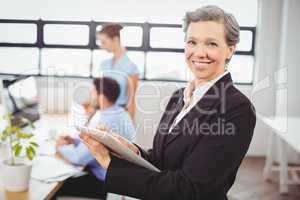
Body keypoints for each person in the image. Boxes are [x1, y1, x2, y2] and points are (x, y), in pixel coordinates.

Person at [80, 5, 256, 200]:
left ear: (230, 49)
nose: (199, 52)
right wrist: (131, 150)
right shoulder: (178, 97)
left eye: (211, 44)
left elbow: (191, 189)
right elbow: (161, 160)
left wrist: (110, 164)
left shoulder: (237, 108)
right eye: (192, 42)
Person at [52, 77, 136, 200]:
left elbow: (78, 158)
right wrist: (74, 141)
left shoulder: (108, 120)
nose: (91, 97)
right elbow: (97, 144)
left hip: (105, 182)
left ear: (102, 97)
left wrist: (61, 147)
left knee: (56, 187)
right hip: (113, 175)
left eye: (93, 93)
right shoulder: (119, 113)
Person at [96, 23, 140, 120]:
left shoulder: (131, 68)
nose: (102, 46)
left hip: (120, 116)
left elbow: (131, 101)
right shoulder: (104, 65)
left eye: (104, 42)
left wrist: (130, 125)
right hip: (102, 114)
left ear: (115, 39)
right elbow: (98, 92)